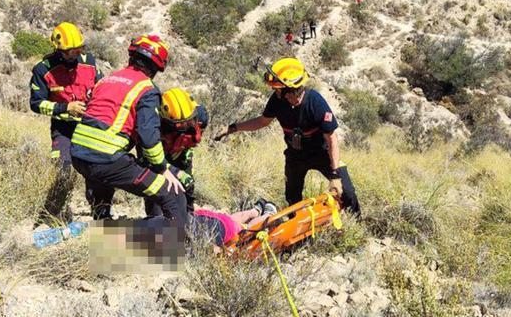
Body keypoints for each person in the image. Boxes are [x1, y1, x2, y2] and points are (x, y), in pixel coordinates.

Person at [68, 34, 188, 229]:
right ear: (156, 68)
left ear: (131, 57)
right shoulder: (147, 89)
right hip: (107, 160)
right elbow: (148, 138)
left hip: (79, 154)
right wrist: (163, 169)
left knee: (102, 184)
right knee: (171, 191)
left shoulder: (108, 79)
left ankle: (101, 228)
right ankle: (182, 247)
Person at [220, 57, 360, 215]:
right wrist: (233, 128)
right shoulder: (277, 101)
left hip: (322, 154)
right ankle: (298, 232)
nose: (275, 91)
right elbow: (262, 121)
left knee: (347, 194)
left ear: (291, 90)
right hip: (296, 155)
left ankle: (355, 221)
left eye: (278, 89)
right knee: (292, 198)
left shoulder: (315, 103)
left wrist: (335, 174)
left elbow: (332, 138)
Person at [29, 22, 102, 223]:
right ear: (59, 50)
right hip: (63, 128)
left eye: (78, 49)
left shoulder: (89, 62)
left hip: (89, 125)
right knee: (64, 169)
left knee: (95, 169)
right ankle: (53, 216)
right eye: (70, 51)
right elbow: (35, 104)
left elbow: (100, 87)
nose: (75, 54)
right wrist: (64, 108)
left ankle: (100, 211)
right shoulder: (43, 70)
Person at [144, 88, 209, 216]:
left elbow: (196, 135)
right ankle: (154, 220)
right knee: (158, 193)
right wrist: (173, 171)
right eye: (181, 125)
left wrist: (187, 150)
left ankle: (189, 216)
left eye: (189, 122)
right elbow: (147, 159)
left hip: (180, 153)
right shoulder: (152, 127)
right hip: (158, 160)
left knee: (188, 183)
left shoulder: (200, 115)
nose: (186, 126)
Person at [189, 199, 278, 249]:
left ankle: (268, 215)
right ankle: (255, 212)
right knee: (233, 219)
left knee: (248, 228)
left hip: (226, 231)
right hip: (212, 217)